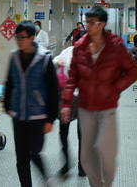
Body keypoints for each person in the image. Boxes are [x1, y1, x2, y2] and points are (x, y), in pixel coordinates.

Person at [61, 6, 137, 187]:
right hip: (85, 107)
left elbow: (132, 71)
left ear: (102, 24)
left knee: (105, 149)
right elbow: (72, 79)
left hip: (107, 107)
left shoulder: (115, 47)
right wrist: (66, 103)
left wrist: (114, 89)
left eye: (91, 22)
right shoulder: (79, 47)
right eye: (86, 22)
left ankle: (107, 183)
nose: (87, 25)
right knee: (86, 157)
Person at [4, 20, 59, 187]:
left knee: (34, 152)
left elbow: (53, 90)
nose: (19, 41)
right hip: (19, 114)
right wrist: (7, 104)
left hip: (38, 115)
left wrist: (50, 119)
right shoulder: (14, 56)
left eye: (22, 37)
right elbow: (10, 82)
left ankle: (46, 178)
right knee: (21, 158)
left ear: (32, 37)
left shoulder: (45, 58)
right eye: (17, 37)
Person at [53, 45, 85, 177]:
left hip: (81, 98)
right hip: (68, 98)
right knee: (65, 133)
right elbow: (55, 60)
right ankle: (70, 163)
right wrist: (58, 63)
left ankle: (79, 165)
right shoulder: (68, 51)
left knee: (80, 134)